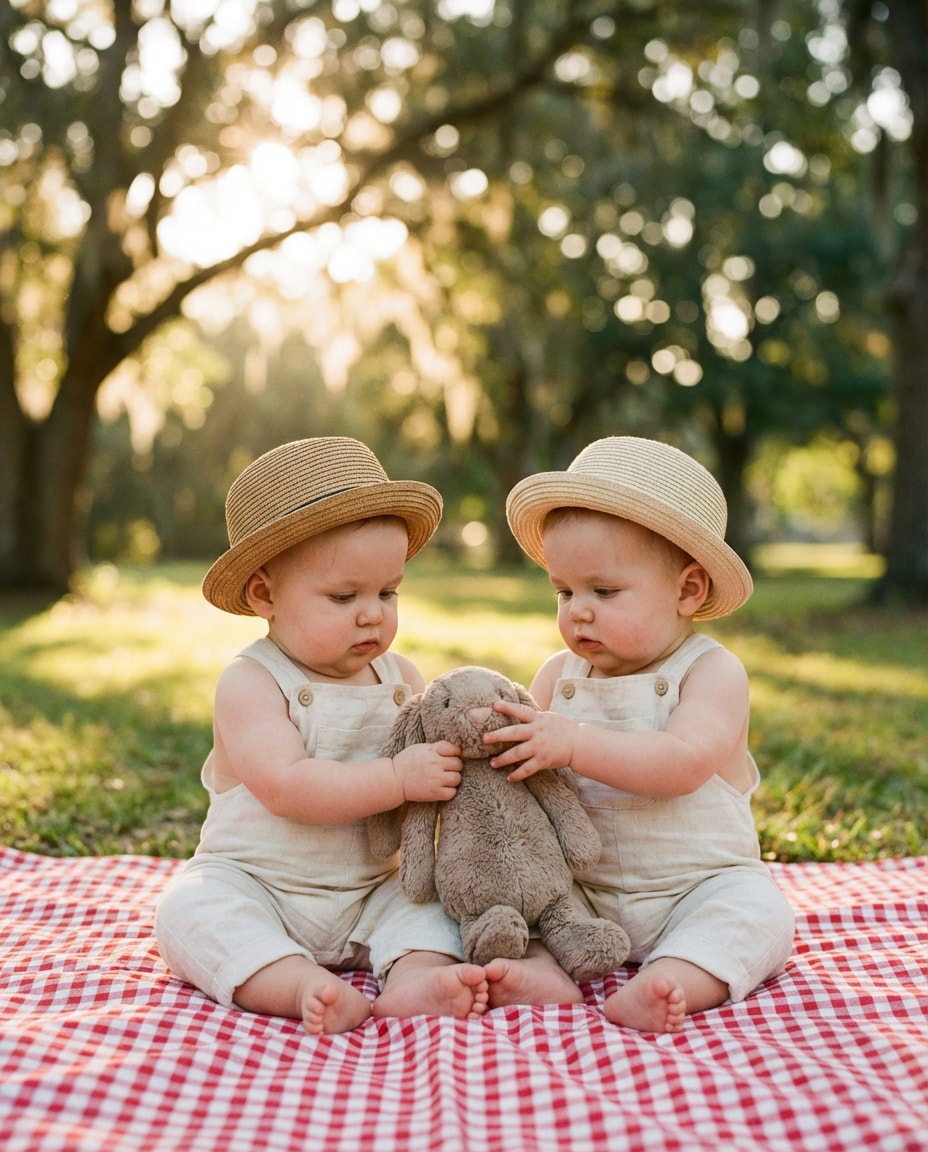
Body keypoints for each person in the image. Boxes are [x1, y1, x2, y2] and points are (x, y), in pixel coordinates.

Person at [155, 437, 489, 1035]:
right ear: (265, 595)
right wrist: (395, 778)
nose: (372, 614)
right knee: (190, 911)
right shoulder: (252, 682)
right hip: (260, 886)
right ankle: (295, 983)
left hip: (371, 890)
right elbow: (287, 787)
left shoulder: (401, 679)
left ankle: (415, 979)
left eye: (388, 592)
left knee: (437, 908)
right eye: (343, 596)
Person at [483, 436, 795, 1033]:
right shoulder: (558, 676)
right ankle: (545, 971)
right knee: (520, 904)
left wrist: (573, 742)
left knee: (759, 914)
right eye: (564, 591)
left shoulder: (710, 673)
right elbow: (519, 776)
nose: (577, 611)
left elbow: (680, 764)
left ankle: (677, 975)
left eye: (604, 591)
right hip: (585, 895)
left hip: (696, 888)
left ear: (688, 591)